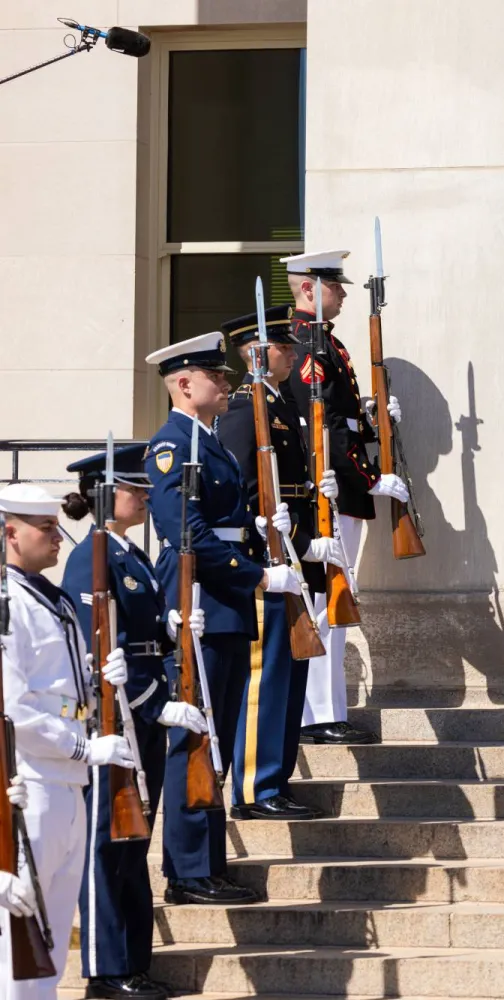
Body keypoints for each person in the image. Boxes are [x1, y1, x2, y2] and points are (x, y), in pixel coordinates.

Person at [146, 332, 305, 905]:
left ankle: (207, 865)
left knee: (218, 738)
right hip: (203, 605)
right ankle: (188, 871)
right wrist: (257, 575)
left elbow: (219, 522)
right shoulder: (173, 446)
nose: (226, 383)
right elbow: (184, 533)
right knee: (197, 736)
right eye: (215, 376)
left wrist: (260, 537)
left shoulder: (206, 440)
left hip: (225, 603)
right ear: (184, 385)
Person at [59, 446, 209, 1000]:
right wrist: (151, 705)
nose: (145, 496)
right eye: (133, 489)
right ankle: (104, 969)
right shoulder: (90, 559)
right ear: (105, 494)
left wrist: (175, 629)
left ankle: (133, 962)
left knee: (131, 840)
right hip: (114, 717)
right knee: (106, 842)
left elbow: (141, 636)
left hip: (144, 707)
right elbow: (98, 652)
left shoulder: (133, 555)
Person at [0, 483, 126, 999]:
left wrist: (105, 680)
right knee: (18, 951)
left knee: (49, 949)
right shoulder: (9, 605)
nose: (58, 537)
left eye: (56, 525)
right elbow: (12, 708)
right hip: (33, 785)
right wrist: (80, 748)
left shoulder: (51, 600)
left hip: (70, 784)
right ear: (11, 533)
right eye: (45, 528)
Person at [218, 311, 346, 820]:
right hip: (267, 561)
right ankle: (254, 786)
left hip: (293, 558)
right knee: (266, 677)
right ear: (255, 352)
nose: (294, 353)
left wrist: (318, 516)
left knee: (290, 675)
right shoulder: (242, 410)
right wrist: (294, 542)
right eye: (283, 346)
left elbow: (289, 487)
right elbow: (248, 498)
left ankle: (278, 777)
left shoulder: (282, 405)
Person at [278, 249, 392, 747]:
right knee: (326, 605)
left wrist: (373, 418)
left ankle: (323, 712)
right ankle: (317, 716)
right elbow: (320, 431)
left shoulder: (321, 342)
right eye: (333, 285)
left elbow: (341, 420)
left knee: (333, 603)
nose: (342, 292)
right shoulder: (306, 346)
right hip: (329, 488)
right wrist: (368, 477)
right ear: (308, 289)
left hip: (339, 485)